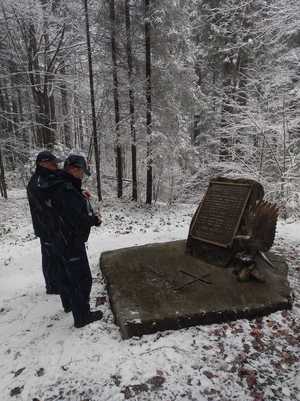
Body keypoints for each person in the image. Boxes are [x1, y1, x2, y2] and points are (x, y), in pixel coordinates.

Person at [49, 154, 103, 328]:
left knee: (69, 276)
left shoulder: (62, 184)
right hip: (70, 241)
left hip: (62, 239)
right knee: (81, 278)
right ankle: (82, 316)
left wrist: (80, 195)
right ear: (73, 169)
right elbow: (76, 218)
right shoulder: (66, 189)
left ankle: (71, 305)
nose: (82, 175)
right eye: (81, 172)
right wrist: (94, 220)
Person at [27, 150, 62, 294]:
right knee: (50, 256)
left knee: (55, 255)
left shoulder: (46, 177)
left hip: (51, 225)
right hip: (47, 226)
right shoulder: (38, 182)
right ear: (43, 164)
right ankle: (52, 286)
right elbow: (45, 206)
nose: (56, 166)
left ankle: (56, 282)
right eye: (53, 164)